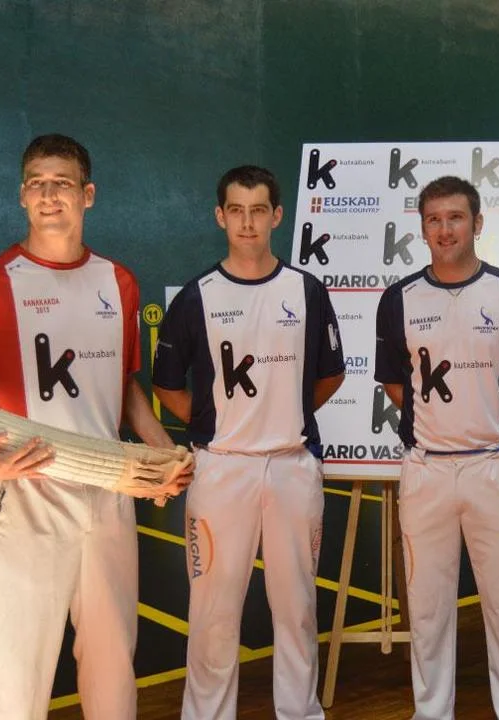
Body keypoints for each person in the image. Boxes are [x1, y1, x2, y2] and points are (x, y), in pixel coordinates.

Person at [0, 133, 188, 718]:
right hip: (26, 496)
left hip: (110, 495)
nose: (49, 195)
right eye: (37, 184)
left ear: (87, 195)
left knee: (112, 664)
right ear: (22, 195)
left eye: (63, 183)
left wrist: (162, 452)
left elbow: (123, 385)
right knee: (16, 679)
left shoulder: (119, 282)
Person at [152, 165, 345, 720]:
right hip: (221, 470)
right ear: (220, 216)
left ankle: (300, 712)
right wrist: (216, 423)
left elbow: (330, 375)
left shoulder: (307, 290)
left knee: (297, 609)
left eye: (258, 210)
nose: (247, 222)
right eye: (236, 210)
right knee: (213, 614)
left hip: (291, 467)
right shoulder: (197, 296)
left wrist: (285, 416)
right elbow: (167, 385)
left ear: (276, 216)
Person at [374, 175, 499, 720]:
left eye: (455, 218)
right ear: (422, 228)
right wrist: (439, 426)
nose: (445, 229)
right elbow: (395, 383)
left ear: (477, 223)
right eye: (434, 219)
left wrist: (492, 421)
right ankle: (431, 713)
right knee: (426, 612)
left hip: (492, 469)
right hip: (425, 471)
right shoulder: (398, 298)